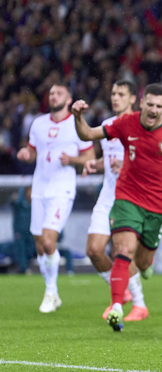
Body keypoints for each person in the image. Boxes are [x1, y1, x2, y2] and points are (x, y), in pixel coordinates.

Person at [71, 83, 162, 331]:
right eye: (149, 104)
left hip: (158, 205)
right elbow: (87, 134)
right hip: (127, 197)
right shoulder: (125, 123)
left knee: (141, 261)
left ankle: (143, 270)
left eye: (159, 106)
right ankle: (117, 306)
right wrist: (78, 116)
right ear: (142, 102)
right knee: (123, 249)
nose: (153, 110)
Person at [16, 83, 95, 313]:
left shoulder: (76, 124)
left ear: (69, 99)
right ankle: (54, 294)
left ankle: (50, 292)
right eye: (51, 93)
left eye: (59, 93)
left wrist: (73, 159)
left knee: (49, 241)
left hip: (62, 189)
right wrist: (26, 154)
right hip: (40, 188)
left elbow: (89, 156)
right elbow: (32, 152)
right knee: (40, 245)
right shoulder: (38, 124)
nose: (53, 96)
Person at [83, 80, 149, 322]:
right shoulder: (107, 125)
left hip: (131, 197)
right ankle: (122, 293)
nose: (115, 98)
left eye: (121, 94)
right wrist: (95, 164)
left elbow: (153, 164)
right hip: (107, 195)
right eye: (113, 93)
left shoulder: (142, 126)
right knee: (93, 250)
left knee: (122, 252)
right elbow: (109, 160)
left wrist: (128, 166)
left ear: (133, 99)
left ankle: (138, 305)